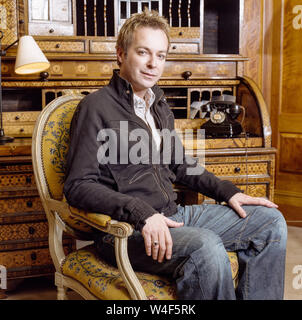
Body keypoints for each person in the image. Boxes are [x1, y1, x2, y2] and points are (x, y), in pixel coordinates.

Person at [63, 10, 287, 300]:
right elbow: (78, 186)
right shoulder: (95, 107)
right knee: (205, 246)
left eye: (161, 55)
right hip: (125, 231)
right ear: (121, 54)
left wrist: (228, 192)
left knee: (270, 222)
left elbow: (180, 165)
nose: (153, 64)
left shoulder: (160, 105)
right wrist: (141, 213)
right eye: (143, 52)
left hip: (174, 216)